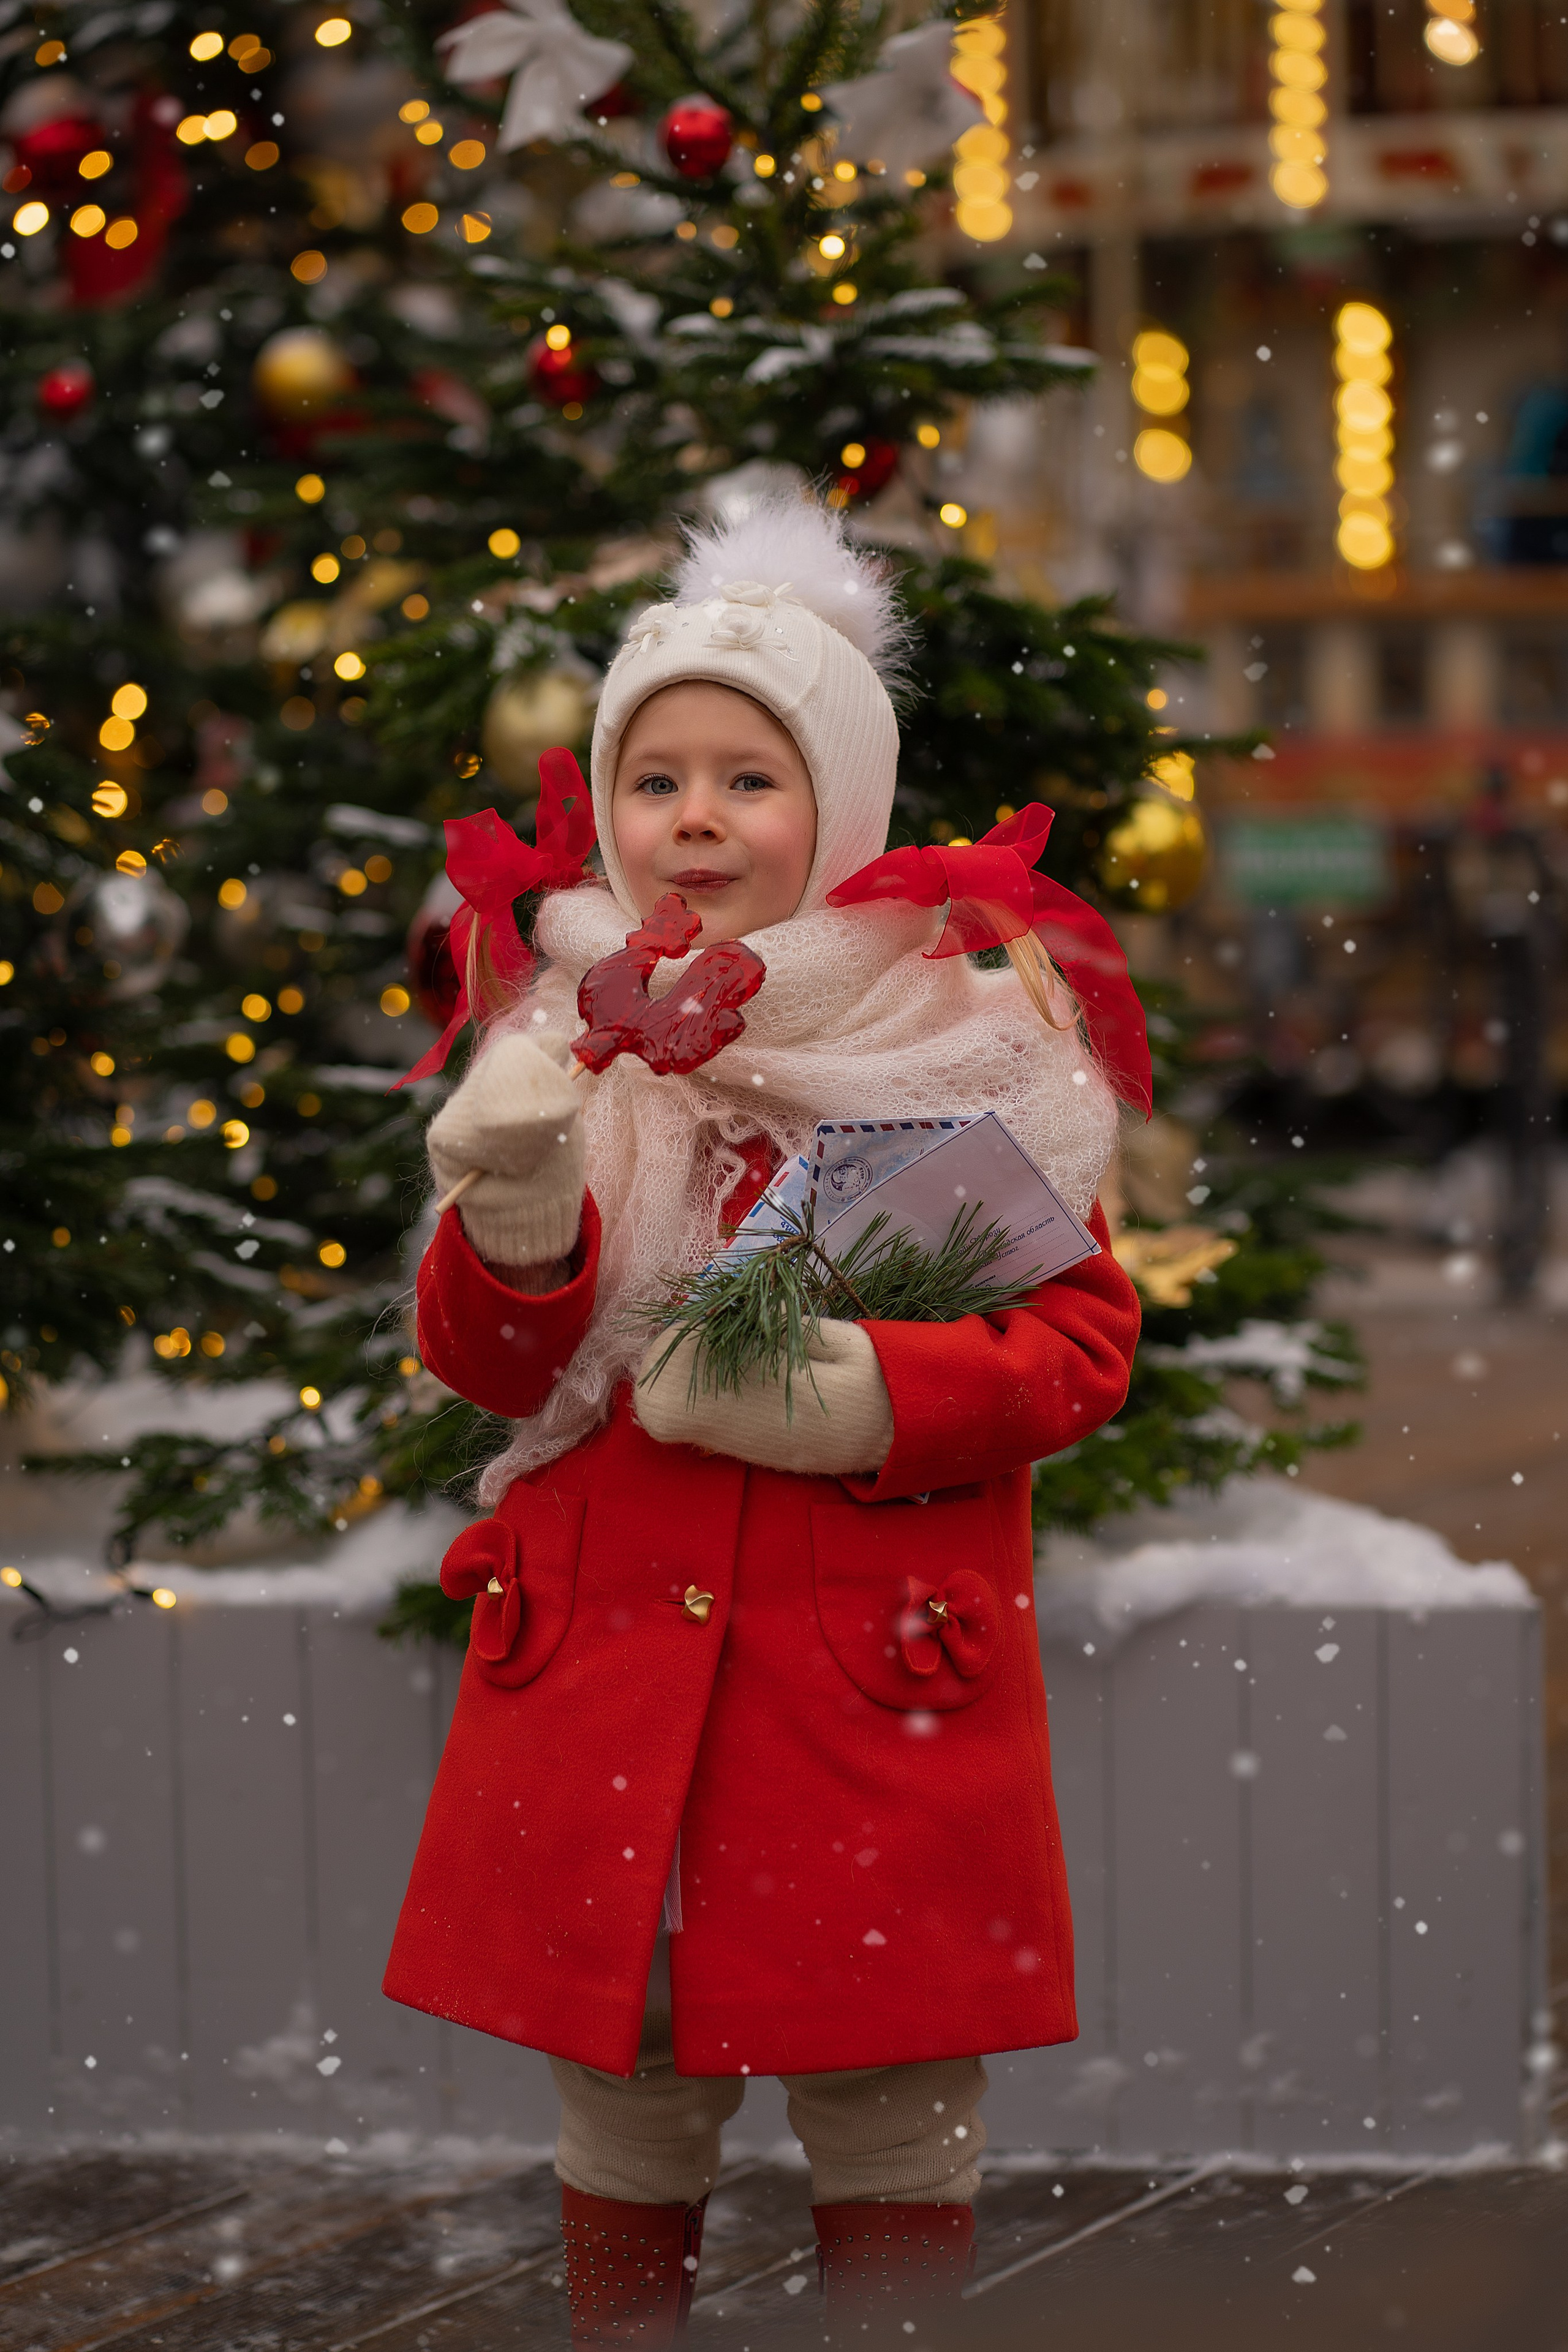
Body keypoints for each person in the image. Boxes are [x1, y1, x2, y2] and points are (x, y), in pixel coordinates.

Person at [383, 495, 1141, 2345]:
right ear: (609, 811)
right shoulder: (560, 1043)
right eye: (655, 781)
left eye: (750, 779)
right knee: (629, 2087)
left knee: (890, 2092)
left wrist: (868, 1396)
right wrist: (517, 1220)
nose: (697, 818)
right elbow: (491, 1366)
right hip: (613, 1680)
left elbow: (1077, 1346)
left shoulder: (958, 1055)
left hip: (862, 1676)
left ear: (845, 813)